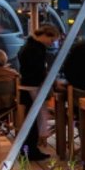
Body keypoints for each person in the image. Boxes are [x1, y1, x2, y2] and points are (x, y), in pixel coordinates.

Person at [15, 25, 61, 158]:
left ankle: (27, 149)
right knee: (33, 120)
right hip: (33, 87)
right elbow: (39, 70)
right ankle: (31, 151)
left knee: (31, 119)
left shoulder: (28, 45)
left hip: (27, 86)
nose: (51, 43)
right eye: (51, 40)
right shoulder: (36, 49)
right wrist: (49, 81)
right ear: (45, 35)